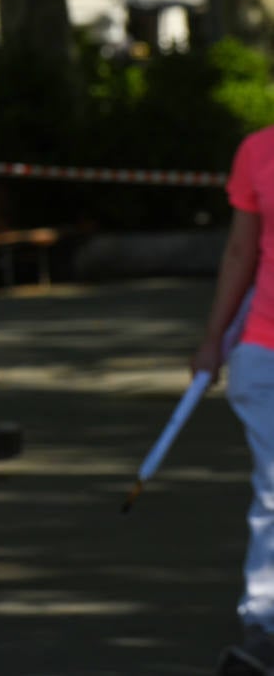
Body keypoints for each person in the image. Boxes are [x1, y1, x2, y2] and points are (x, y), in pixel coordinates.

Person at [193, 125, 274, 676]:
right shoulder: (257, 150)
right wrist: (214, 338)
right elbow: (242, 250)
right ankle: (264, 625)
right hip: (265, 349)